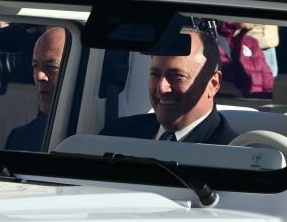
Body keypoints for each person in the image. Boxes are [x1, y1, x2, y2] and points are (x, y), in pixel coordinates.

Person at [103, 26, 241, 144]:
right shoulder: (117, 135)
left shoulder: (233, 155)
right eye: (155, 74)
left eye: (177, 76)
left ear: (213, 84)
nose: (161, 87)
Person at [5, 26, 66, 150]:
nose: (39, 76)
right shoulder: (20, 139)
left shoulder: (101, 135)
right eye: (35, 66)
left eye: (51, 67)